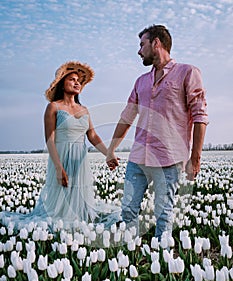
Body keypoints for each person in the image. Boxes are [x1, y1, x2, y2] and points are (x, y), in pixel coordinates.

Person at [106, 25, 208, 241]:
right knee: (128, 211)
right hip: (139, 157)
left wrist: (195, 158)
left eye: (142, 44)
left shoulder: (187, 72)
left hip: (169, 157)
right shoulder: (141, 81)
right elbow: (126, 117)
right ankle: (130, 256)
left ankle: (162, 258)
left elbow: (200, 115)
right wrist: (111, 149)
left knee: (163, 215)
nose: (139, 50)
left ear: (156, 43)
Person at [0, 61, 120, 233]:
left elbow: (92, 136)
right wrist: (58, 167)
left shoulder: (84, 110)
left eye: (78, 80)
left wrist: (109, 154)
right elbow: (49, 139)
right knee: (60, 201)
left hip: (80, 158)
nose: (77, 82)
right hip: (61, 156)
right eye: (72, 79)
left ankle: (77, 224)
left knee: (79, 198)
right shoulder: (53, 107)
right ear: (62, 85)